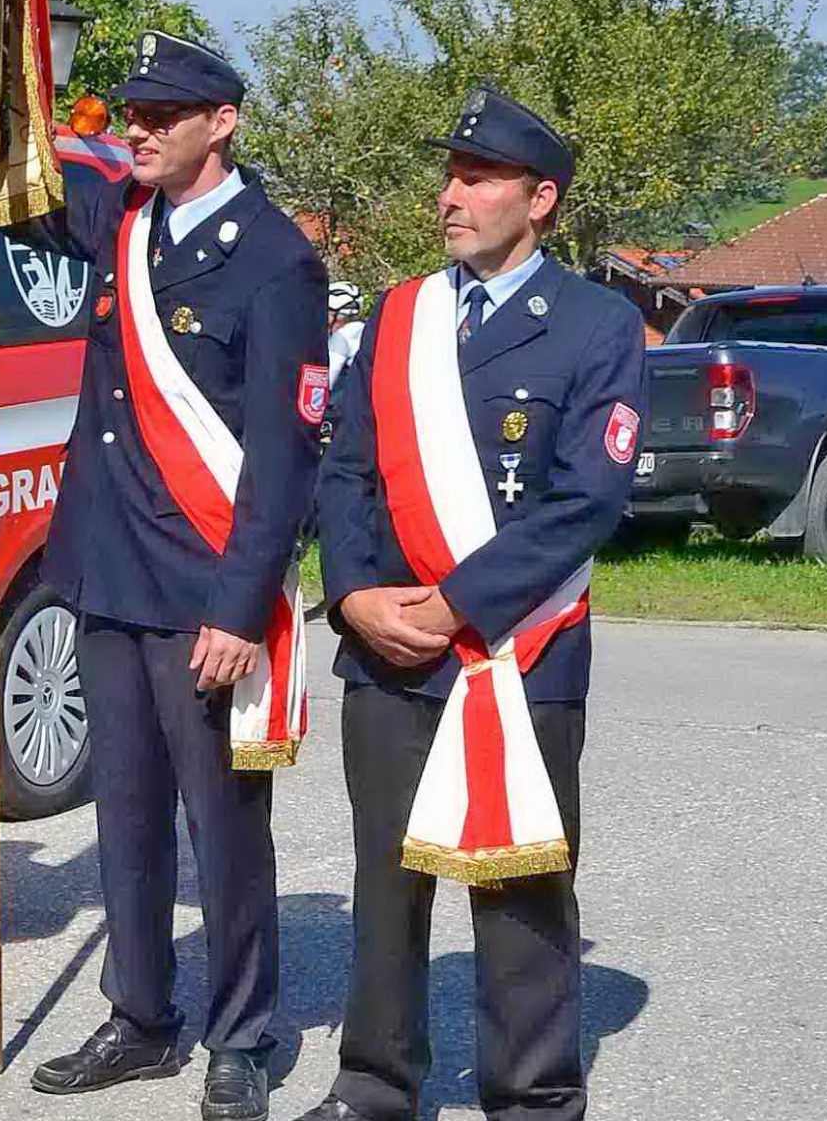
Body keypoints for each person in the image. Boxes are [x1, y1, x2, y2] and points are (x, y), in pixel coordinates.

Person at [300, 88, 647, 1121]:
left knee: (520, 884)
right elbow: (346, 469)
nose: (451, 195)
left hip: (516, 649)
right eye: (449, 174)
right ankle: (374, 1082)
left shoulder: (598, 322)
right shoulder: (398, 315)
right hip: (387, 649)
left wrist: (452, 603)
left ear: (539, 198)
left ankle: (532, 1093)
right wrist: (355, 591)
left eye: (478, 176)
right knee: (384, 881)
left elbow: (587, 496)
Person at [29, 31, 330, 1118]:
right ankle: (140, 1014)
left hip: (203, 590)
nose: (141, 129)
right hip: (109, 572)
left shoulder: (275, 258)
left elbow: (284, 454)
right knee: (125, 812)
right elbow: (22, 180)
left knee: (222, 821)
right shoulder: (122, 223)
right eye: (134, 113)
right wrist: (1, 61)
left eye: (166, 112)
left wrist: (241, 604)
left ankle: (241, 1031)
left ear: (224, 121)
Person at [324, 282, 368, 393]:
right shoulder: (364, 330)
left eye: (329, 313)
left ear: (339, 315)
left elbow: (326, 382)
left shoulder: (341, 337)